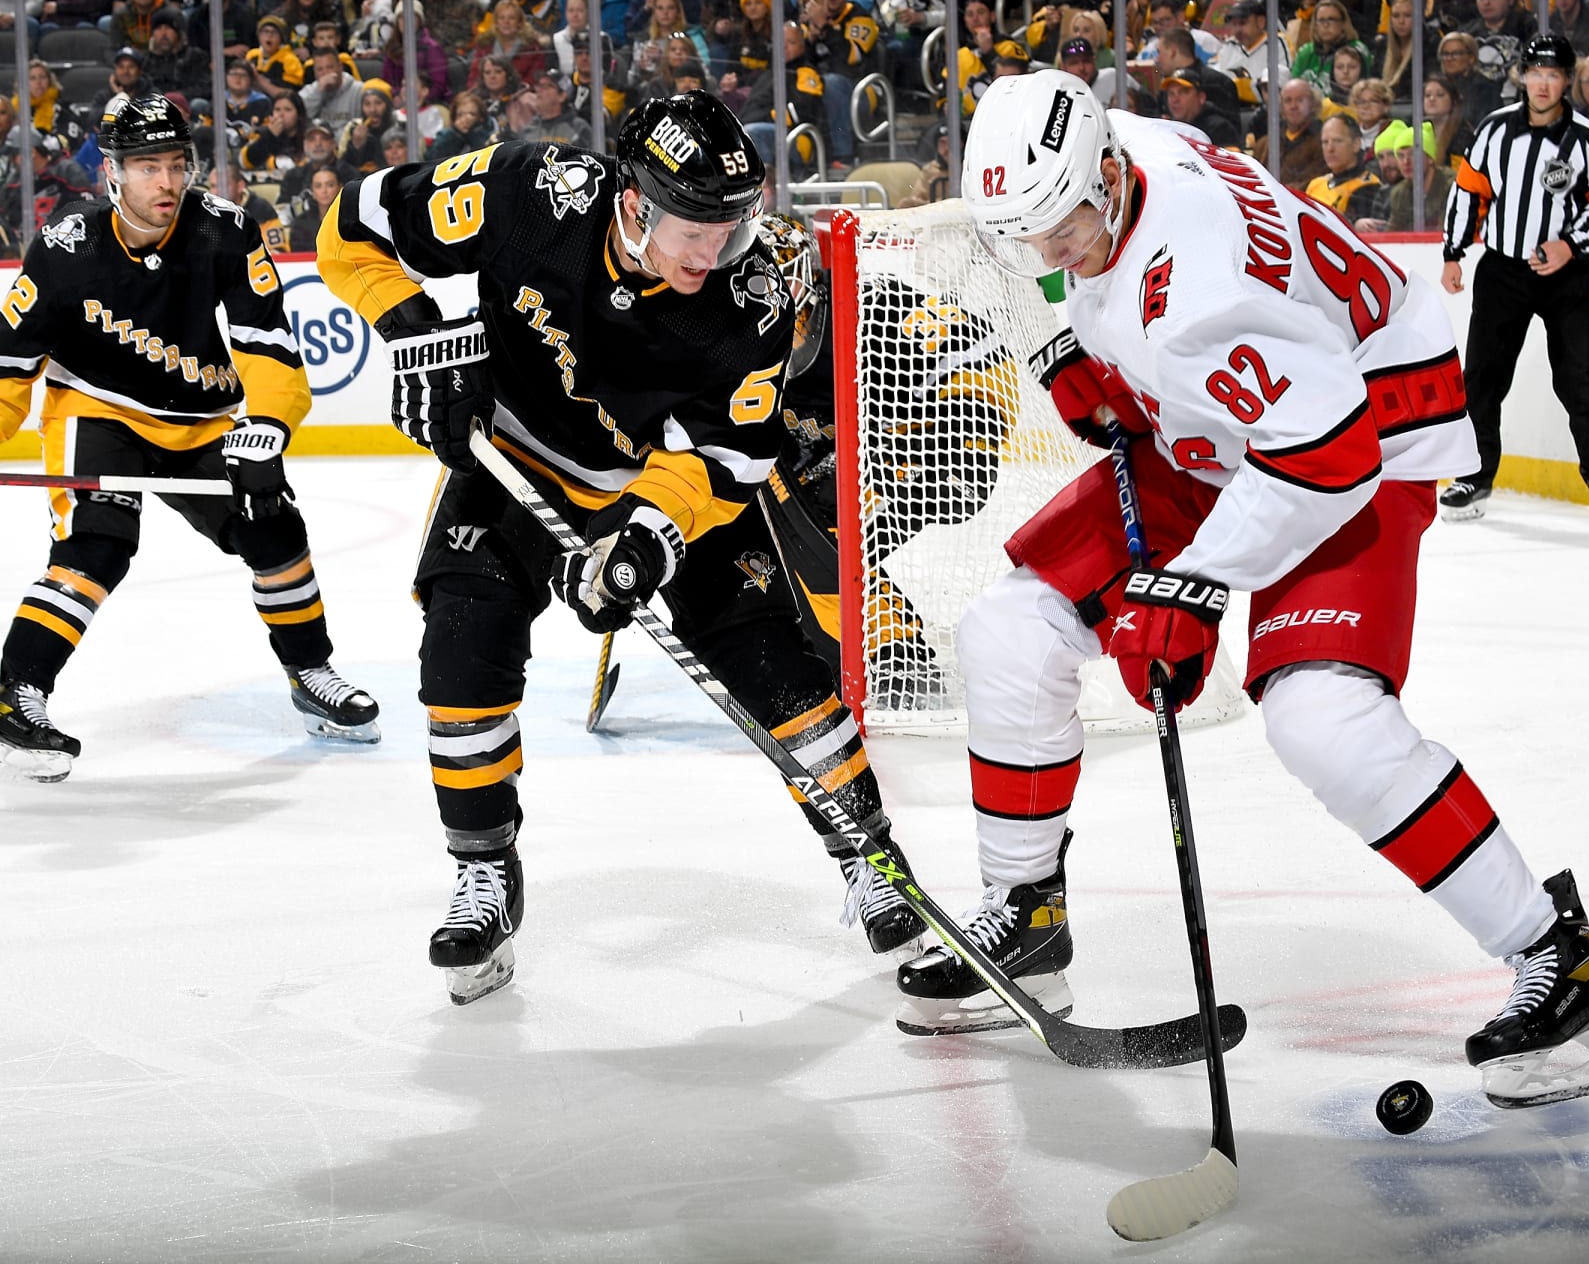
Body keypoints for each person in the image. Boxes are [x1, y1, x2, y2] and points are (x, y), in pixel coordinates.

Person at [907, 68, 1589, 1116]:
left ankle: (1556, 958)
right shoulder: (1096, 150)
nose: (1050, 250)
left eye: (1065, 227)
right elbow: (1050, 257)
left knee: (1324, 719)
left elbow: (1326, 451)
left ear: (1108, 175)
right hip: (1219, 416)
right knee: (1007, 633)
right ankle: (1025, 914)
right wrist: (1073, 339)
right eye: (1033, 233)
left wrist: (1195, 585)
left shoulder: (1199, 281)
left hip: (1358, 432)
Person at [315, 92, 926, 1004]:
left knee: (770, 663)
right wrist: (415, 334)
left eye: (730, 227)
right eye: (694, 228)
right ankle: (484, 867)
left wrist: (646, 539)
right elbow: (347, 229)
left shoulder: (751, 296)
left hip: (659, 481)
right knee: (459, 648)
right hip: (514, 455)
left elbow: (734, 455)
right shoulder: (526, 193)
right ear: (634, 203)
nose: (712, 252)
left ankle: (872, 857)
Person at [0, 95, 379, 781]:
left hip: (205, 419)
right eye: (148, 167)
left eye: (177, 164)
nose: (167, 184)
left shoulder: (226, 231)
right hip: (99, 411)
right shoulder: (64, 250)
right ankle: (16, 694)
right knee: (96, 546)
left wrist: (265, 427)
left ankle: (310, 672)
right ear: (111, 173)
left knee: (274, 528)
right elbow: (9, 370)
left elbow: (268, 344)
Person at [1440, 33, 1589, 520]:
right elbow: (1469, 193)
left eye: (1554, 75)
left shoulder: (1585, 137)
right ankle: (1473, 477)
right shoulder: (1495, 130)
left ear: (1567, 81)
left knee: (1581, 373)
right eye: (1536, 73)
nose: (1543, 84)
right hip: (1503, 271)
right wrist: (1454, 252)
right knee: (1483, 376)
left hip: (1566, 275)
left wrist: (1571, 245)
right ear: (1522, 76)